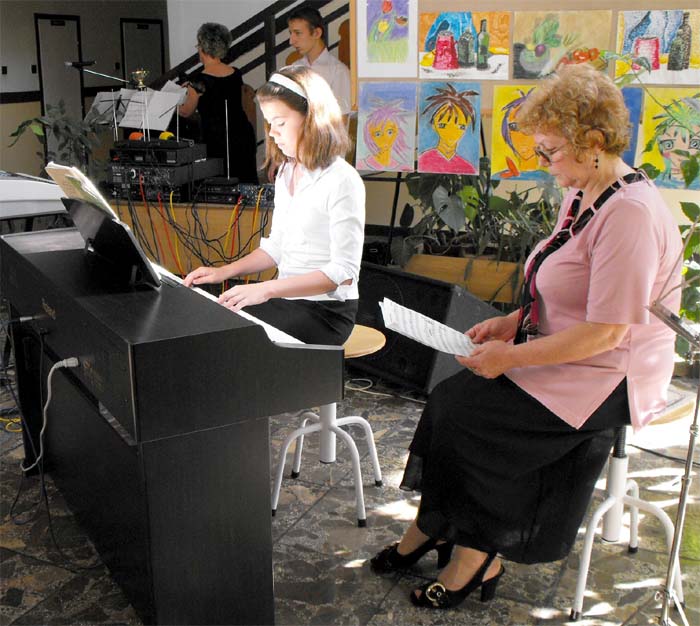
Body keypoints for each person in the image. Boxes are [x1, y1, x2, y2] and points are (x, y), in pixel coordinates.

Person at [370, 63, 683, 610]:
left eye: (550, 150)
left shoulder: (629, 215)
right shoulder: (585, 189)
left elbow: (608, 332)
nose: (543, 162)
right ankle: (433, 528)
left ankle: (475, 557)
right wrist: (513, 322)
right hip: (574, 349)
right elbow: (564, 283)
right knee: (449, 401)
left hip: (611, 374)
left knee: (475, 419)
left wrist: (511, 358)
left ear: (593, 142)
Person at [183, 66, 364, 346]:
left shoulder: (342, 179)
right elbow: (276, 247)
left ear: (311, 118)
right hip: (286, 298)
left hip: (326, 312)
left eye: (280, 123)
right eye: (269, 124)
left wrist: (266, 289)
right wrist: (223, 272)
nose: (272, 134)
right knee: (208, 311)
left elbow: (343, 273)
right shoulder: (286, 172)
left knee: (228, 334)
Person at [179, 22, 258, 183]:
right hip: (242, 134)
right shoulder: (236, 73)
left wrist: (172, 102)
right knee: (243, 183)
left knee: (220, 185)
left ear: (203, 48)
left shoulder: (198, 81)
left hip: (217, 138)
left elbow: (186, 111)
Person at [287, 7, 351, 116]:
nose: (291, 41)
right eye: (291, 33)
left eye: (298, 33)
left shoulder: (338, 71)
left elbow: (342, 118)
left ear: (316, 33)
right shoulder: (294, 68)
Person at [417, 83, 479, 174]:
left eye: (461, 127)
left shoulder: (468, 168)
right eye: (443, 125)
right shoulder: (423, 161)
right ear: (434, 125)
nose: (452, 132)